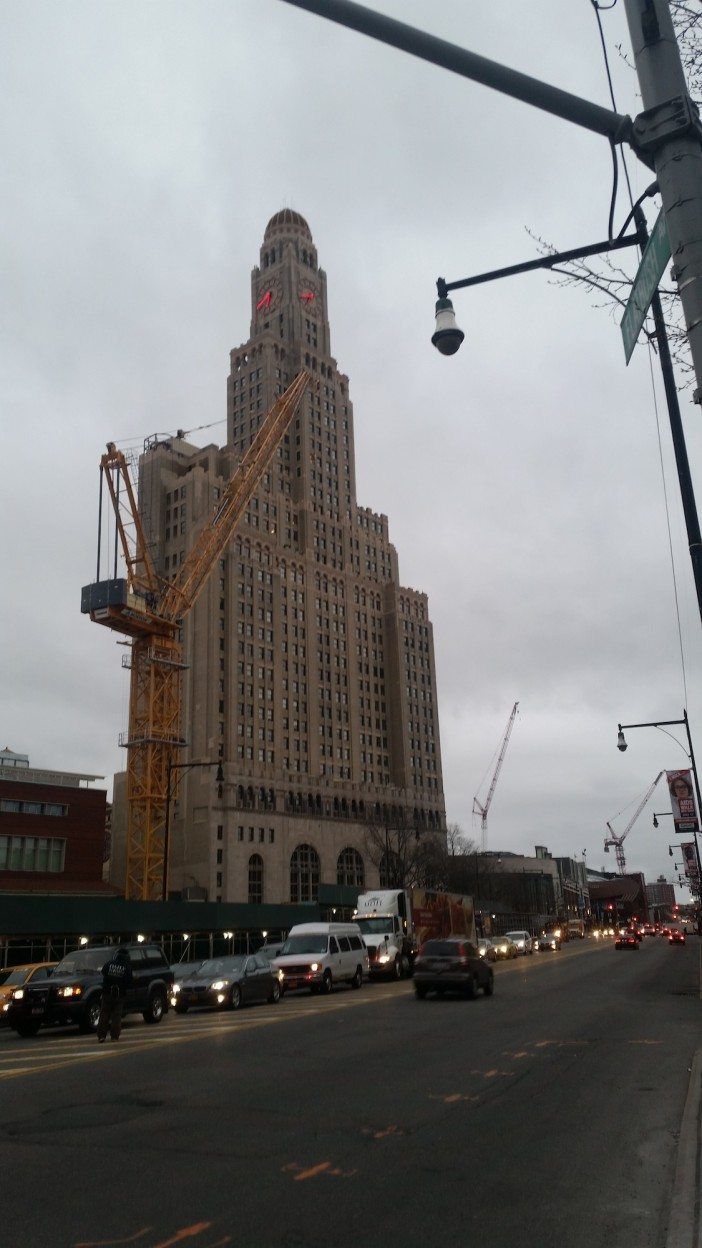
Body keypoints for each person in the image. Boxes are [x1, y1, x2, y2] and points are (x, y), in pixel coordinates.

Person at [97, 946, 133, 1042]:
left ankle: (101, 1035)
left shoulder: (109, 964)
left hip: (107, 993)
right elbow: (129, 981)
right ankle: (114, 1036)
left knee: (104, 1014)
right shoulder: (126, 967)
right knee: (116, 1016)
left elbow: (103, 973)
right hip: (119, 994)